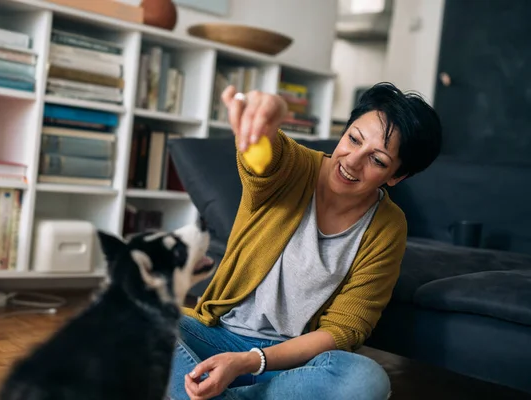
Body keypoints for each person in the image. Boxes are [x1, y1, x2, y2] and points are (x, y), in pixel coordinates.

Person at [168, 82, 442, 400]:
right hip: (217, 339)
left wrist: (248, 362)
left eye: (377, 160)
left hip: (293, 362)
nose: (352, 161)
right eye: (353, 139)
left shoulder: (387, 227)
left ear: (396, 177)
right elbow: (264, 160)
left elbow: (343, 330)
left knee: (366, 380)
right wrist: (259, 131)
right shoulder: (295, 166)